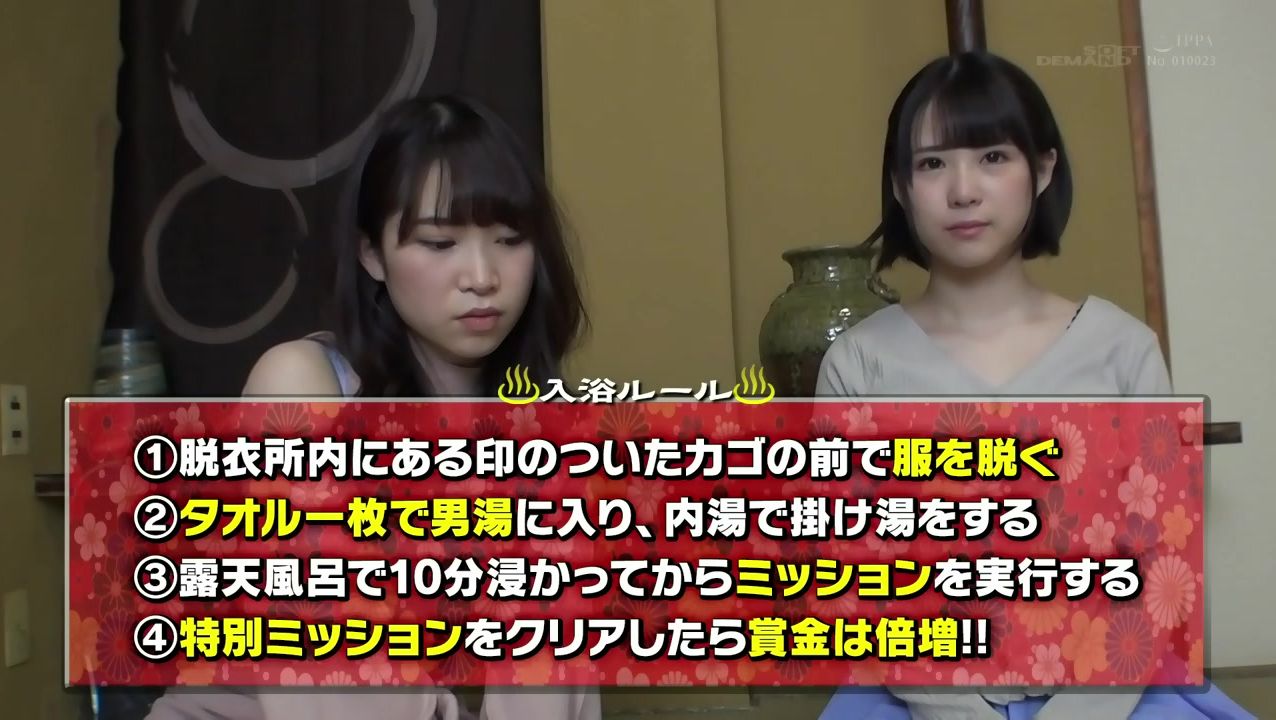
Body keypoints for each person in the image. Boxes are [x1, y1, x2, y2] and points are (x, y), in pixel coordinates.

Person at [814, 52, 1254, 719]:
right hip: (914, 697)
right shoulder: (857, 365)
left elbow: (1164, 564)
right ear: (900, 186)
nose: (964, 190)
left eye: (993, 157)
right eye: (931, 164)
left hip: (1119, 693)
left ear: (1043, 170)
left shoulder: (1123, 350)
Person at [145, 94, 599, 720]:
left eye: (509, 239)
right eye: (439, 242)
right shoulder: (302, 383)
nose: (482, 276)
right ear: (372, 255)